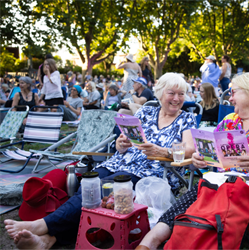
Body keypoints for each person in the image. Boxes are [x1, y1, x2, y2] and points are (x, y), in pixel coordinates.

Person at [4, 73, 197, 249]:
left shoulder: (186, 118)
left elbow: (189, 148)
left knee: (98, 190)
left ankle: (43, 226)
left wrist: (161, 150)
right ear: (160, 93)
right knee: (88, 186)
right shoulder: (145, 113)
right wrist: (122, 143)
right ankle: (49, 240)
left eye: (181, 94)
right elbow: (123, 143)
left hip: (150, 171)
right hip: (119, 163)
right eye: (172, 93)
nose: (177, 99)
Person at [136, 72, 249, 250]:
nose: (230, 98)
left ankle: (208, 239)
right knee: (195, 193)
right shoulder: (228, 122)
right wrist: (199, 158)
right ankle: (148, 244)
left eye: (233, 92)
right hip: (223, 185)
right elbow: (209, 153)